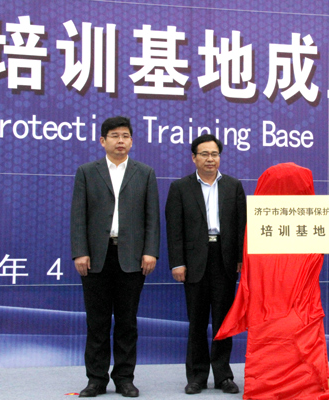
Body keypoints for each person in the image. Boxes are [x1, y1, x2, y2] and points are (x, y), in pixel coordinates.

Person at [215, 162, 329, 400]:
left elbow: (253, 269)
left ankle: (265, 383)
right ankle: (308, 381)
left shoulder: (259, 227)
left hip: (267, 300)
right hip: (300, 299)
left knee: (271, 327)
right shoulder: (305, 224)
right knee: (298, 322)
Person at [70, 116, 160, 398]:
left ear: (131, 141)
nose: (120, 141)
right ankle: (96, 380)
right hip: (96, 257)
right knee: (96, 322)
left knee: (127, 322)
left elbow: (152, 217)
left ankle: (124, 379)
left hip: (132, 257)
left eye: (125, 136)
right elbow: (78, 216)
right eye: (114, 136)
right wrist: (80, 252)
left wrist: (150, 251)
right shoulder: (87, 172)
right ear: (103, 141)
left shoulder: (145, 173)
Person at [165, 134, 246, 395]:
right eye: (204, 154)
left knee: (224, 321)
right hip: (194, 261)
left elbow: (241, 226)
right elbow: (174, 229)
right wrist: (177, 262)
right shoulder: (180, 187)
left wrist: (241, 259)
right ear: (194, 158)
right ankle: (197, 376)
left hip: (225, 259)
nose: (210, 159)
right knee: (197, 321)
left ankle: (223, 375)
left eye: (214, 154)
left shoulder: (233, 186)